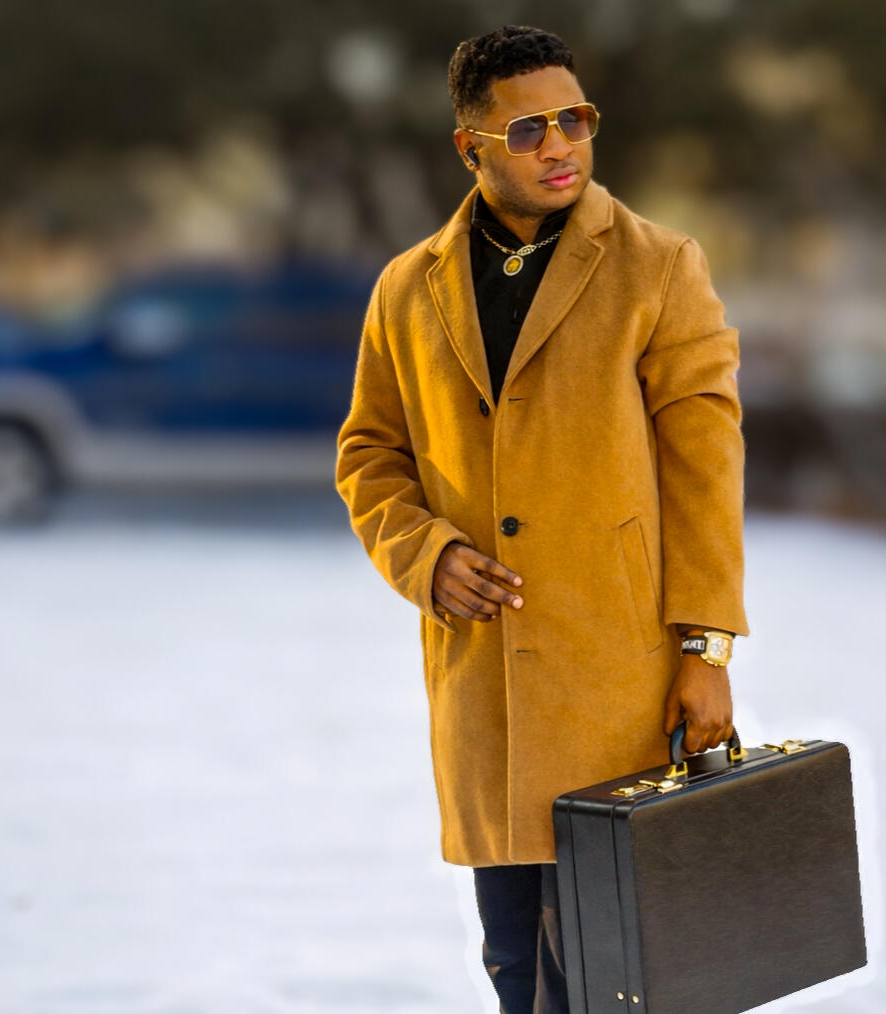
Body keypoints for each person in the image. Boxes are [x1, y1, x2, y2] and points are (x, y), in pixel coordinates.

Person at [335, 24, 750, 1014]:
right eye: (529, 128)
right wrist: (423, 555)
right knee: (516, 968)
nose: (561, 144)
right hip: (485, 686)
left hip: (621, 681)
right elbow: (369, 454)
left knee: (618, 973)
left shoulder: (658, 267)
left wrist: (707, 649)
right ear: (469, 145)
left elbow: (704, 468)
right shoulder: (407, 287)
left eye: (576, 118)